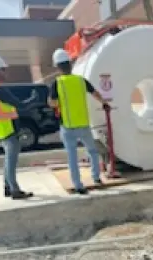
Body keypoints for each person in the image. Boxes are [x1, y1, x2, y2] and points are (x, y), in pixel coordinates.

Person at [47, 48, 111, 195]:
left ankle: (78, 185)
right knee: (93, 152)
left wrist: (61, 104)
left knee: (72, 157)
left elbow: (52, 103)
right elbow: (96, 94)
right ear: (70, 64)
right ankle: (96, 178)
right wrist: (104, 103)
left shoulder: (56, 84)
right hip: (83, 124)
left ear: (57, 67)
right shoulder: (81, 80)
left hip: (68, 126)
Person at [0, 55, 34, 200]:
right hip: (8, 130)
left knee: (8, 160)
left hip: (0, 129)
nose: (5, 73)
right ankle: (14, 190)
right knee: (11, 161)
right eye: (3, 70)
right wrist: (33, 99)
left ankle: (7, 187)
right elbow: (20, 104)